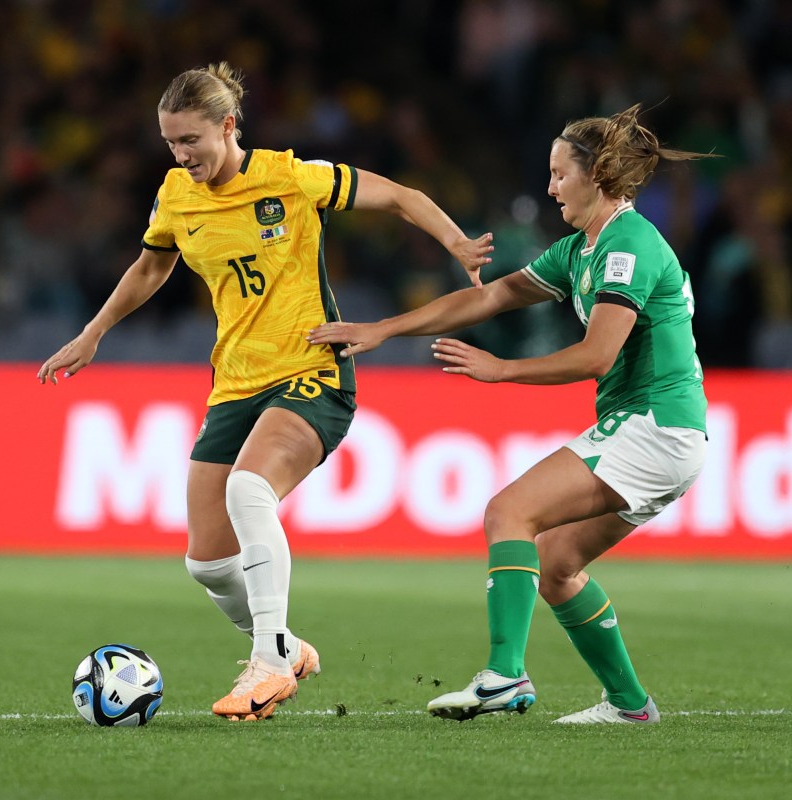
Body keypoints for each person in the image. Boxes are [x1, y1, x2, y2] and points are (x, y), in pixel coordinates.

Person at [38, 63, 493, 722]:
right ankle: (283, 644)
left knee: (249, 490)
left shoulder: (290, 177)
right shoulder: (176, 195)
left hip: (311, 373)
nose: (182, 156)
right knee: (207, 562)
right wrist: (95, 332)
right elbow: (151, 263)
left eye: (192, 140)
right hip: (235, 383)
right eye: (171, 144)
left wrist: (455, 241)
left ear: (228, 126)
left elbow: (397, 196)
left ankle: (270, 666)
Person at [308, 104, 711, 725]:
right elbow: (494, 295)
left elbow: (598, 353)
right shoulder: (582, 248)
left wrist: (502, 370)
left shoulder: (628, 243)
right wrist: (384, 329)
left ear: (597, 174)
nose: (549, 188)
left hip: (653, 424)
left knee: (508, 511)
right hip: (659, 432)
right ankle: (631, 706)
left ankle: (504, 675)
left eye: (558, 174)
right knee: (556, 566)